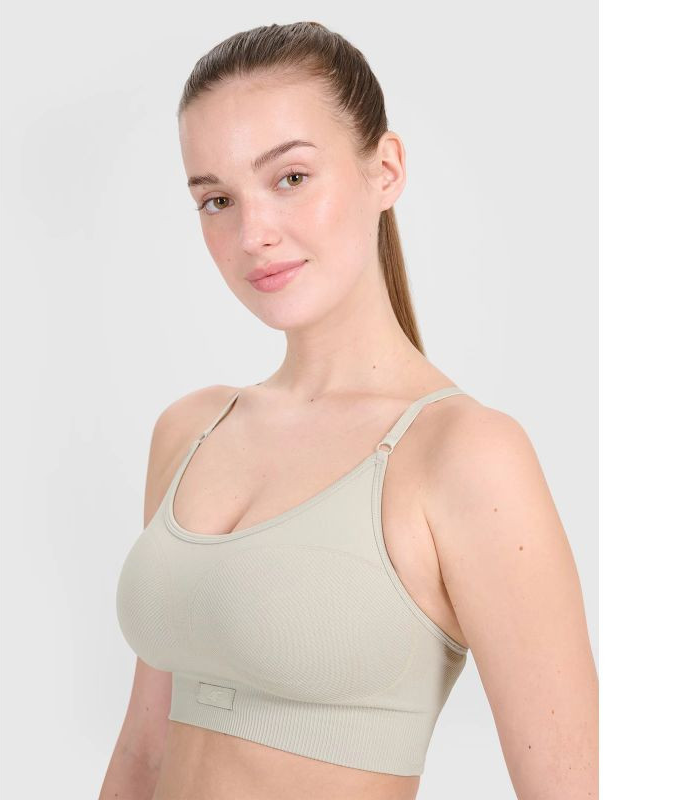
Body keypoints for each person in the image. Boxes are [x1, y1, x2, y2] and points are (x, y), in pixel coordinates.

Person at [101, 21, 598, 800]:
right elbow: (143, 752)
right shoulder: (190, 430)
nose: (253, 234)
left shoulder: (463, 454)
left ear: (386, 169)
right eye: (217, 200)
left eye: (291, 177)